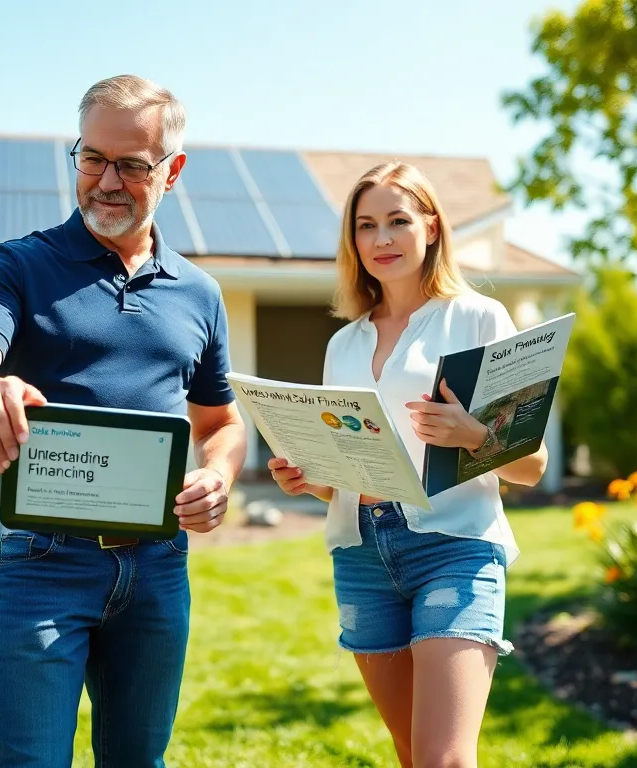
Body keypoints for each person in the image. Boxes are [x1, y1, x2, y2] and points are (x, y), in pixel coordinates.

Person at [0, 74, 248, 768]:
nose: (106, 180)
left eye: (132, 165)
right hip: (43, 560)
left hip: (158, 566)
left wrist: (218, 474)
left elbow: (221, 420)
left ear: (173, 172)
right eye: (91, 158)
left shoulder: (199, 293)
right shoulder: (19, 266)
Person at [268, 162, 548, 768]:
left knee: (445, 758)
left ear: (432, 227)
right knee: (410, 753)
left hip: (455, 544)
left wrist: (474, 433)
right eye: (366, 226)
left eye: (398, 221)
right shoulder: (342, 344)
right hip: (362, 553)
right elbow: (348, 472)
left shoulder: (477, 318)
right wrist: (312, 480)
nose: (382, 239)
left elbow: (533, 466)